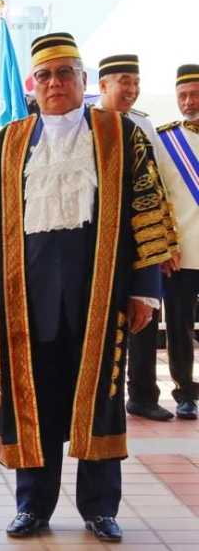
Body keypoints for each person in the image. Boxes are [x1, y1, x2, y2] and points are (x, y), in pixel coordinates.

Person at [0, 33, 172, 543]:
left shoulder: (120, 133)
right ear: (32, 85)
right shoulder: (8, 141)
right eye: (45, 75)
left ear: (85, 81)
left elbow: (147, 206)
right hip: (29, 295)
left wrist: (144, 289)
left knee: (102, 399)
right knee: (33, 400)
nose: (55, 83)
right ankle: (33, 506)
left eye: (66, 73)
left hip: (101, 290)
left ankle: (99, 507)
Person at [97, 55, 178, 422]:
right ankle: (99, 393)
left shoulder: (144, 124)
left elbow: (158, 186)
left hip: (140, 237)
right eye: (122, 81)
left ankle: (142, 394)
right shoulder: (88, 125)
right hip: (101, 239)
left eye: (134, 82)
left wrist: (165, 243)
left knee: (144, 315)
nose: (130, 89)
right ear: (103, 86)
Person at [153, 64, 199, 421]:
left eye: (195, 93)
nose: (188, 101)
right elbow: (156, 196)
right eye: (182, 95)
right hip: (182, 253)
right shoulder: (165, 140)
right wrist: (164, 247)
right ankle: (185, 392)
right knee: (180, 328)